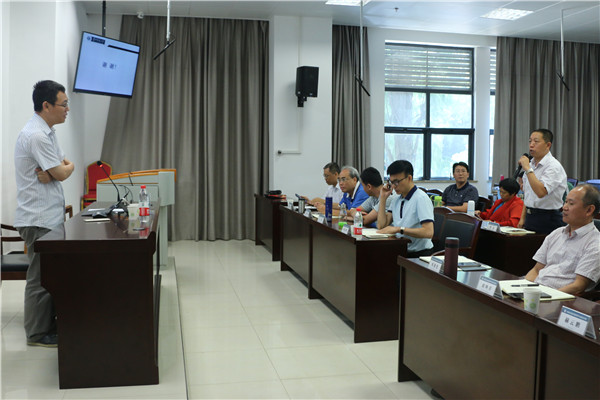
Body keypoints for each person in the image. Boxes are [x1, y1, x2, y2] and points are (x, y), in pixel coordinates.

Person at [14, 80, 75, 347]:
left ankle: (48, 325)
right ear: (46, 105)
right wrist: (58, 172)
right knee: (39, 278)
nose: (67, 109)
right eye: (64, 104)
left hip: (48, 217)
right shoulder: (36, 135)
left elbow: (64, 165)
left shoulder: (48, 132)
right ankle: (37, 334)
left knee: (50, 276)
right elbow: (62, 170)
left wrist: (58, 172)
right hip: (37, 219)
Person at [524, 184, 600, 295]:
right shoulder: (556, 233)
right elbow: (536, 270)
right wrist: (523, 290)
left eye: (571, 203)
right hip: (536, 291)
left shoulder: (595, 243)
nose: (564, 207)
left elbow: (578, 286)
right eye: (565, 202)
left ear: (589, 210)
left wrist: (545, 297)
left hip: (559, 298)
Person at [377, 160, 434, 256]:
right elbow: (381, 226)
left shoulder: (421, 198)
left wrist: (399, 229)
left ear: (409, 178)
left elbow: (428, 232)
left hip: (419, 254)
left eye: (397, 182)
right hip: (401, 249)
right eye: (391, 182)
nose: (394, 186)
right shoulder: (396, 199)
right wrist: (383, 198)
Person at [518, 128, 567, 234]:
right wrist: (522, 219)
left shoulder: (553, 166)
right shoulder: (531, 164)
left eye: (536, 141)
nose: (531, 145)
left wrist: (527, 169)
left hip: (548, 219)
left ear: (548, 145)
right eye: (530, 141)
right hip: (530, 216)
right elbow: (528, 195)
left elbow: (541, 192)